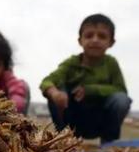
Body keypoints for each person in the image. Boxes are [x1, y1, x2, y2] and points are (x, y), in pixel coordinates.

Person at [40, 14, 131, 144]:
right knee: (56, 91)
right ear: (80, 40)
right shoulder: (71, 63)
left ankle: (109, 143)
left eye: (102, 36)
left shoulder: (111, 64)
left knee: (121, 100)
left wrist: (90, 90)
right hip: (74, 120)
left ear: (111, 42)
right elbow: (47, 81)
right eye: (89, 35)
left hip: (101, 120)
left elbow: (120, 90)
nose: (95, 40)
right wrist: (55, 94)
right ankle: (63, 143)